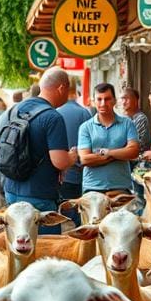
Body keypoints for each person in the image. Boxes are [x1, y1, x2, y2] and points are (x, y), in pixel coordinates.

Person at [0, 67, 76, 234]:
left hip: (11, 189)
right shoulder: (53, 117)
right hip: (39, 197)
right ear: (62, 88)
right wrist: (72, 156)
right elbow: (60, 161)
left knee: (18, 248)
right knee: (44, 249)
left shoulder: (16, 109)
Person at [78, 83, 140, 196]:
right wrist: (118, 154)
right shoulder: (85, 127)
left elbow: (133, 151)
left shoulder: (127, 124)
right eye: (99, 99)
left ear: (114, 101)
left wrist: (108, 152)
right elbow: (85, 159)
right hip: (92, 188)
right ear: (93, 101)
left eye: (107, 99)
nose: (103, 103)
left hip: (121, 187)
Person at [56, 79, 92, 225]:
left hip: (60, 174)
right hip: (80, 174)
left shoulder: (55, 112)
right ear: (76, 91)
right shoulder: (85, 113)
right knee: (79, 216)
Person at [121, 88, 151, 154]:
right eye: (122, 99)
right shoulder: (122, 118)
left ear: (135, 101)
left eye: (126, 99)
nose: (123, 102)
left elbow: (136, 146)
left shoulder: (140, 118)